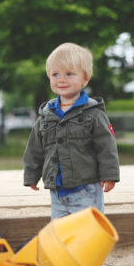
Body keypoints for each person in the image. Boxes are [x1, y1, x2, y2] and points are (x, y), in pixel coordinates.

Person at [23, 42, 120, 219]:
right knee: (61, 230)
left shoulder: (93, 113)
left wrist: (110, 174)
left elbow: (106, 146)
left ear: (85, 78)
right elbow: (34, 148)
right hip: (57, 191)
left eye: (69, 74)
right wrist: (31, 174)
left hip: (85, 187)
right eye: (55, 74)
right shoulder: (46, 115)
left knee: (86, 228)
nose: (61, 79)